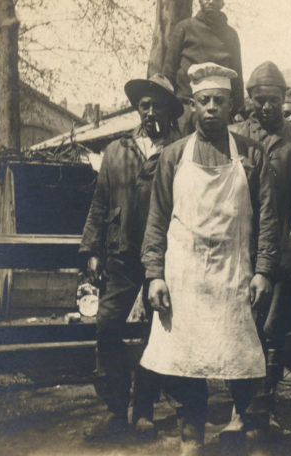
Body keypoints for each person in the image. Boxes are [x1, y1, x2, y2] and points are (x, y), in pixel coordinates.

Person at [140, 62, 279, 455]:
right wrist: (155, 276)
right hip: (184, 278)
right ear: (192, 105)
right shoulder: (173, 157)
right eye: (204, 101)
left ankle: (252, 438)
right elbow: (156, 222)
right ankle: (191, 439)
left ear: (231, 105)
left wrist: (264, 270)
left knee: (242, 362)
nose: (212, 108)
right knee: (185, 364)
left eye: (219, 100)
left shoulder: (252, 156)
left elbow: (268, 219)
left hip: (235, 276)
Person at [79, 74, 182, 440]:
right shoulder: (117, 151)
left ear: (170, 110)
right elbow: (99, 202)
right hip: (120, 253)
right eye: (144, 105)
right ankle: (116, 403)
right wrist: (91, 248)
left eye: (157, 105)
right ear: (138, 109)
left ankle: (144, 410)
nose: (150, 111)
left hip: (163, 258)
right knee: (107, 326)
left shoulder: (180, 150)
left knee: (155, 336)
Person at [229, 61, 291, 430]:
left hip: (283, 247)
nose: (267, 106)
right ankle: (239, 409)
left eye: (274, 99)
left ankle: (265, 409)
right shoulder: (234, 136)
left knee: (273, 331)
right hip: (240, 249)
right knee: (240, 326)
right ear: (250, 99)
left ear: (284, 99)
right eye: (260, 99)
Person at [163, 0, 244, 135]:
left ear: (222, 3)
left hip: (218, 109)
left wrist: (238, 109)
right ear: (200, 1)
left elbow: (237, 73)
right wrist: (168, 106)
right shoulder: (184, 28)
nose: (211, 1)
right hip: (186, 108)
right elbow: (169, 70)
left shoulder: (230, 35)